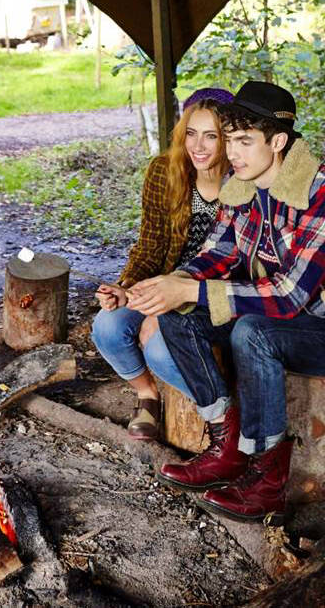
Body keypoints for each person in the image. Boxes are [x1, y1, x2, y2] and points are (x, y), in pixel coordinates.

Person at [126, 80, 325, 523]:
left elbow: (291, 295)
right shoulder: (242, 182)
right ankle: (227, 443)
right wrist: (168, 284)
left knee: (252, 332)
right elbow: (218, 253)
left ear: (278, 141)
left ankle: (267, 479)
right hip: (277, 314)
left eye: (244, 141)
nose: (232, 153)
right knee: (179, 316)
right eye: (229, 140)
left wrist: (190, 289)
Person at [91, 87, 234, 441]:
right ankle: (147, 395)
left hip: (210, 294)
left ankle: (227, 417)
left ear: (229, 139)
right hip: (162, 283)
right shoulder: (164, 172)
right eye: (191, 134)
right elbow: (150, 245)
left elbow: (236, 267)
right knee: (108, 325)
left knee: (158, 347)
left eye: (211, 136)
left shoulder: (244, 183)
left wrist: (166, 310)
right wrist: (126, 287)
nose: (198, 146)